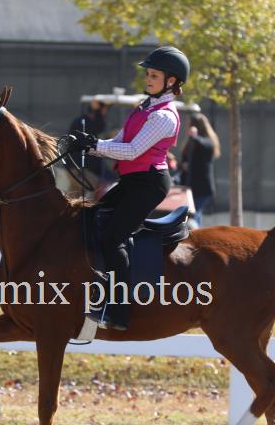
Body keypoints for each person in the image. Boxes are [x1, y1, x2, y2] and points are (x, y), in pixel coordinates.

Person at [71, 45, 189, 331]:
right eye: (148, 74)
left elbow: (133, 150)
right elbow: (119, 142)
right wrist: (89, 145)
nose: (148, 79)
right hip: (132, 181)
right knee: (89, 219)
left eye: (154, 75)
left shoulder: (164, 116)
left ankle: (119, 312)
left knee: (114, 238)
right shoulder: (144, 107)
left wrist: (95, 145)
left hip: (149, 184)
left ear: (171, 81)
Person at [180, 112, 220, 226]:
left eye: (189, 124)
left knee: (194, 214)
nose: (187, 127)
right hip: (191, 186)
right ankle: (198, 232)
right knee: (196, 214)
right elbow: (186, 159)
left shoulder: (207, 141)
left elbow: (206, 145)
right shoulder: (192, 141)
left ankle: (196, 234)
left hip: (202, 187)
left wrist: (194, 136)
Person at [66, 99, 111, 194]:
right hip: (77, 168)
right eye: (104, 110)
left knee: (75, 195)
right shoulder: (83, 122)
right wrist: (97, 111)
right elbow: (99, 126)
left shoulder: (85, 121)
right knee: (99, 187)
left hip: (79, 168)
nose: (105, 113)